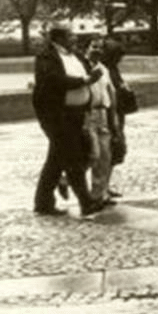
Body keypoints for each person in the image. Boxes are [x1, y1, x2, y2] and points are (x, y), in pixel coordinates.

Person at [32, 23, 105, 217]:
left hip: (77, 114)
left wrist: (92, 64)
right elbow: (54, 80)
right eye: (71, 35)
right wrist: (84, 81)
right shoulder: (46, 57)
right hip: (57, 115)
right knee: (72, 157)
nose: (75, 38)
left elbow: (88, 72)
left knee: (57, 159)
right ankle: (85, 202)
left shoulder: (76, 55)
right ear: (59, 39)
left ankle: (43, 202)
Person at [99, 39, 134, 200]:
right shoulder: (105, 70)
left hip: (117, 114)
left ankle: (104, 187)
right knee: (105, 152)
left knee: (114, 152)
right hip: (109, 116)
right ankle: (100, 189)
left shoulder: (112, 69)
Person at [83, 40, 115, 206]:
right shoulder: (82, 66)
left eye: (101, 48)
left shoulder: (104, 69)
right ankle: (65, 179)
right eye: (94, 46)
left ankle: (98, 194)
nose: (97, 51)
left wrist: (113, 118)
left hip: (103, 112)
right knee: (93, 154)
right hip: (89, 113)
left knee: (104, 156)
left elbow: (110, 92)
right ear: (87, 48)